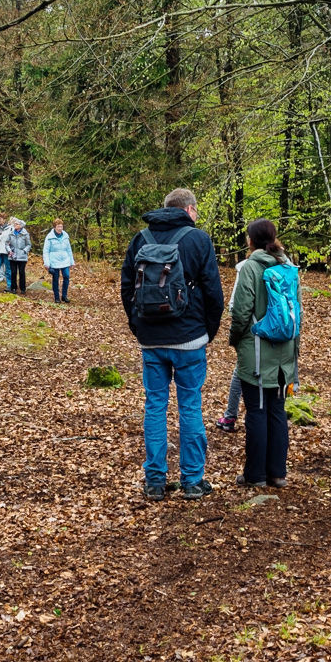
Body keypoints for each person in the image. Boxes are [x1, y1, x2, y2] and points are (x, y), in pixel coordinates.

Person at [120, 188, 225, 500]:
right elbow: (213, 291)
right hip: (190, 338)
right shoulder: (198, 239)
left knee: (155, 406)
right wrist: (208, 330)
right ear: (189, 209)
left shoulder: (140, 238)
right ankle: (192, 480)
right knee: (190, 405)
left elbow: (127, 287)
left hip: (151, 339)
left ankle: (154, 481)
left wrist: (138, 326)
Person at [229, 219, 301, 488]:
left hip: (257, 351)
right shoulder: (288, 266)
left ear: (251, 240)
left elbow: (241, 310)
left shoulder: (250, 267)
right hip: (284, 353)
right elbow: (298, 314)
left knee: (257, 411)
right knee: (277, 410)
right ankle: (277, 473)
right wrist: (295, 351)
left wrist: (236, 340)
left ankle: (256, 475)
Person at [216, 249, 253, 434]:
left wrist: (236, 337)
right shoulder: (286, 266)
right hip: (280, 336)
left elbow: (235, 306)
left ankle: (230, 415)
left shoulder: (246, 267)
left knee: (240, 372)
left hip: (250, 335)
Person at [43, 218, 75, 303]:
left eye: (61, 226)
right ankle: (57, 297)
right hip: (54, 261)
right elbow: (46, 251)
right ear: (54, 227)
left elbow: (69, 249)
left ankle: (64, 296)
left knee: (66, 276)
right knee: (55, 279)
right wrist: (47, 263)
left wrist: (72, 261)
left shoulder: (65, 236)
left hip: (65, 260)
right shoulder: (49, 237)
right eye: (58, 227)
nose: (60, 228)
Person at [7, 219, 32, 294]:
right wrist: (9, 250)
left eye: (17, 224)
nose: (15, 225)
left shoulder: (25, 234)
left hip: (22, 257)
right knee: (13, 272)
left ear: (21, 225)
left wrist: (24, 251)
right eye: (15, 224)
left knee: (21, 272)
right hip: (13, 256)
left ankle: (23, 288)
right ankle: (13, 288)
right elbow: (7, 243)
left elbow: (28, 245)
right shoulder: (11, 233)